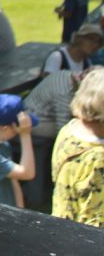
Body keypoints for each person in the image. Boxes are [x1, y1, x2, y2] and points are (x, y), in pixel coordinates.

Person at [22, 67, 97, 206]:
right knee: (75, 130)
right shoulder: (64, 92)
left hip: (39, 116)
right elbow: (61, 126)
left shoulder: (67, 75)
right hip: (34, 121)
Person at [52, 67, 104, 226]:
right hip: (82, 236)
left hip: (59, 222)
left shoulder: (70, 128)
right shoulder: (98, 158)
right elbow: (96, 221)